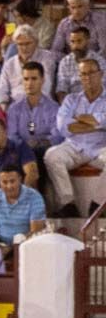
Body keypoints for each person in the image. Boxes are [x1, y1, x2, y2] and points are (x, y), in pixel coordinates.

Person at [47, 57, 106, 218]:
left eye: (91, 73)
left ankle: (98, 205)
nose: (87, 77)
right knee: (51, 155)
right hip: (74, 146)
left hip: (100, 147)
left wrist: (79, 119)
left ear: (101, 74)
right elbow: (64, 127)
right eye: (83, 74)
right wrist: (97, 123)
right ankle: (68, 204)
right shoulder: (71, 99)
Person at [0, 26, 58, 106]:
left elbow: (46, 86)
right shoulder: (10, 64)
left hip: (40, 104)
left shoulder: (47, 57)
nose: (24, 48)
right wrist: (3, 105)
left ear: (36, 42)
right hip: (13, 106)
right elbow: (2, 90)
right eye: (20, 44)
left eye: (28, 43)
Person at [0, 164, 45, 244]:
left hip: (27, 244)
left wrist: (12, 248)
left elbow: (36, 231)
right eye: (4, 182)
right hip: (0, 244)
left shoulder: (34, 196)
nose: (9, 186)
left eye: (12, 181)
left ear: (20, 179)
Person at [57, 26, 105, 102]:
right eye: (72, 42)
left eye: (79, 41)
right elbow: (62, 89)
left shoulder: (99, 61)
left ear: (87, 41)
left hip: (96, 102)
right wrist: (67, 108)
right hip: (72, 103)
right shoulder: (65, 62)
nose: (75, 46)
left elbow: (103, 88)